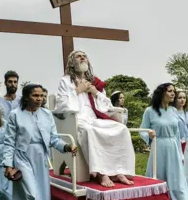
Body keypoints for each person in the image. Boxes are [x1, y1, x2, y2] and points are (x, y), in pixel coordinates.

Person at [3, 84, 77, 200]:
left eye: (42, 96)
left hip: (41, 158)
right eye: (35, 95)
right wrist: (8, 165)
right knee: (31, 196)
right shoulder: (15, 115)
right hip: (22, 157)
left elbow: (53, 139)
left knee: (42, 198)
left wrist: (65, 146)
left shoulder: (46, 114)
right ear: (27, 97)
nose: (40, 99)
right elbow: (9, 142)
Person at [54, 50, 135, 187]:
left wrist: (94, 92)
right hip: (76, 119)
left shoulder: (93, 81)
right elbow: (61, 106)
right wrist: (77, 90)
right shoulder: (65, 81)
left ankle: (118, 171)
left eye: (84, 56)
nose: (82, 58)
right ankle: (101, 174)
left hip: (93, 118)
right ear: (71, 62)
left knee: (121, 129)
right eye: (78, 56)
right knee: (89, 131)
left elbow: (106, 105)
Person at [139, 83, 188, 200]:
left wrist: (180, 154)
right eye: (170, 91)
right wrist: (149, 135)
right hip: (158, 148)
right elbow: (142, 130)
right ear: (162, 93)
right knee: (158, 181)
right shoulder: (150, 111)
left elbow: (178, 135)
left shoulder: (174, 111)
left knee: (179, 184)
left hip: (173, 148)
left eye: (174, 91)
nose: (173, 94)